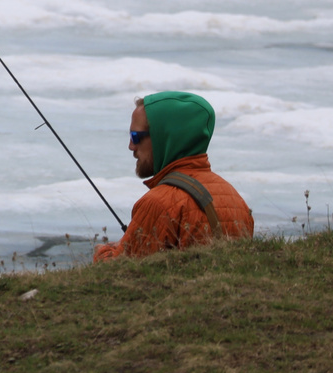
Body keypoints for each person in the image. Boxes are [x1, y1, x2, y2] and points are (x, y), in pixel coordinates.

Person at [94, 91, 253, 261]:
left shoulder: (158, 203)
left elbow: (121, 271)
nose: (131, 146)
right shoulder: (235, 199)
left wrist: (101, 252)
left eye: (136, 136)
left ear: (164, 137)